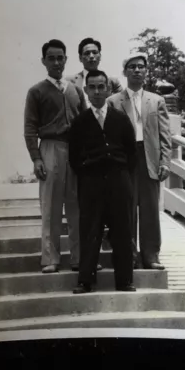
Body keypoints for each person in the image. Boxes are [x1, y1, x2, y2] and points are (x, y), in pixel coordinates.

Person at [24, 39, 96, 274]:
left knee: (77, 206)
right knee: (51, 207)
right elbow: (30, 128)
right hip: (50, 148)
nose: (56, 62)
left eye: (60, 58)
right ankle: (51, 258)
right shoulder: (36, 91)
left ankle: (78, 257)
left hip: (75, 151)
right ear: (44, 61)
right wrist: (36, 158)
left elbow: (86, 122)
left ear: (66, 60)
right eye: (51, 58)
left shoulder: (75, 89)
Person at [69, 69, 137, 294]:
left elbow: (131, 153)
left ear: (108, 90)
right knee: (90, 229)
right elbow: (74, 157)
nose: (97, 92)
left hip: (119, 180)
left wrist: (122, 175)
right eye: (92, 87)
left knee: (122, 229)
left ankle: (125, 280)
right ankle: (85, 280)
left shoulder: (120, 119)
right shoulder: (80, 122)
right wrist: (90, 173)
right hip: (92, 183)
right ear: (86, 91)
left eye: (101, 87)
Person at [107, 52, 171, 270]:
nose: (136, 70)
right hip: (125, 158)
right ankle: (129, 255)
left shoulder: (157, 100)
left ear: (146, 71)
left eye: (141, 66)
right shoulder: (113, 102)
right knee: (126, 207)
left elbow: (165, 135)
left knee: (150, 208)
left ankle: (151, 255)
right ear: (125, 72)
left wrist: (165, 161)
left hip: (149, 156)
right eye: (132, 67)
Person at [66, 37, 123, 108]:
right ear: (80, 58)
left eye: (95, 52)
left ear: (100, 56)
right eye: (87, 53)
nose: (91, 56)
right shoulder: (69, 82)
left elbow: (122, 105)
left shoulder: (113, 82)